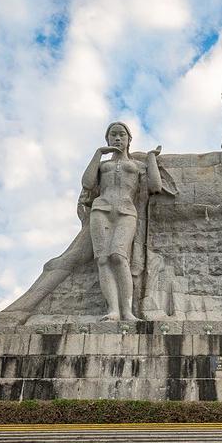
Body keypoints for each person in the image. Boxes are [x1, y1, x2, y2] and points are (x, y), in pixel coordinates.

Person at [82, 122, 162, 321]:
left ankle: (127, 310)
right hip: (101, 209)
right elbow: (87, 183)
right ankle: (113, 310)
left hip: (126, 211)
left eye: (121, 135)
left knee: (118, 256)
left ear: (129, 140)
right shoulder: (103, 165)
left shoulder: (136, 166)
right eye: (113, 135)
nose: (117, 138)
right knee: (102, 259)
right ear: (108, 139)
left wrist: (151, 158)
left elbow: (155, 186)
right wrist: (98, 153)